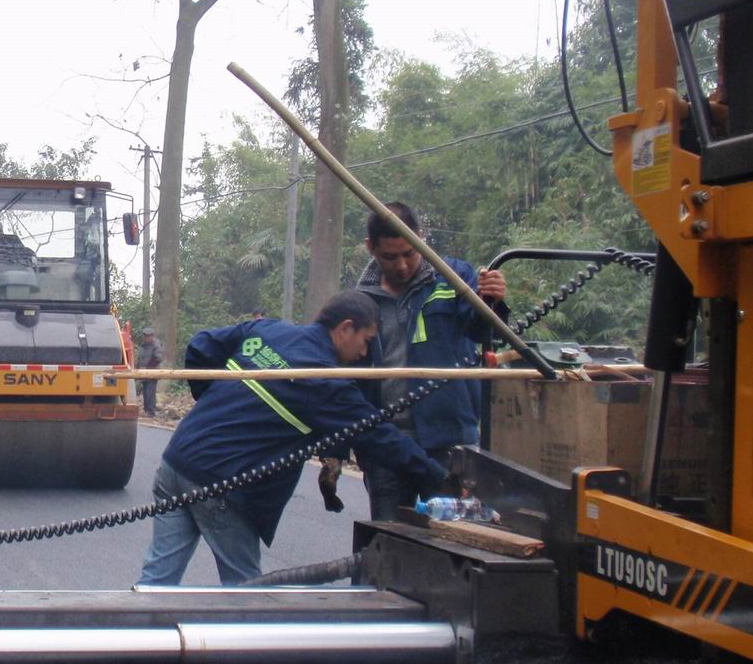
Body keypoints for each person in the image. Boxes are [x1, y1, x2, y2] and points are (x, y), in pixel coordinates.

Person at [138, 291, 447, 586]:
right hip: (220, 486)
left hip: (175, 463)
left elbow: (201, 344)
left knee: (157, 579)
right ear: (345, 328)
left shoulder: (268, 332)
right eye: (366, 341)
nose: (365, 353)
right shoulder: (324, 381)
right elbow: (381, 437)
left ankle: (134, 635)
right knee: (244, 596)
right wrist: (441, 480)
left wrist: (213, 405)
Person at [350, 202, 508, 523]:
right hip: (387, 446)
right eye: (390, 257)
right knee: (388, 543)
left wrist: (492, 301)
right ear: (371, 248)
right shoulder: (359, 302)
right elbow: (350, 378)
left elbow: (481, 331)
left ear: (420, 239)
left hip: (449, 442)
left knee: (455, 543)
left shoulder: (454, 278)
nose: (403, 266)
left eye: (410, 253)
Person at [135, 329, 164, 417]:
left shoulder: (156, 345)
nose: (147, 338)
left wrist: (149, 367)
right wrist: (137, 368)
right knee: (145, 392)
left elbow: (158, 358)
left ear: (152, 336)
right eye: (146, 336)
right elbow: (140, 358)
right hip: (143, 372)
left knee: (150, 392)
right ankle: (146, 410)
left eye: (149, 336)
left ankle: (151, 411)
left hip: (152, 372)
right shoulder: (143, 345)